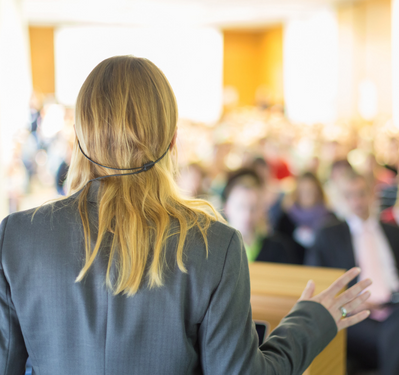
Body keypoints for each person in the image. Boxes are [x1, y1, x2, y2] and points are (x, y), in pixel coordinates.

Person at [0, 56, 372, 374]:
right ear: (174, 140)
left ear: (79, 138)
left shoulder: (16, 236)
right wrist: (311, 321)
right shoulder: (215, 243)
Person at [306, 172, 399, 375]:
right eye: (349, 195)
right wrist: (349, 302)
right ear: (341, 200)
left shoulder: (394, 233)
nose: (357, 201)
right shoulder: (328, 235)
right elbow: (317, 282)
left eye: (361, 194)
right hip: (354, 312)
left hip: (397, 307)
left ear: (372, 195)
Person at [222, 168, 303, 264]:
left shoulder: (278, 248)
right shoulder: (216, 248)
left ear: (262, 210)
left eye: (253, 208)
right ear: (226, 208)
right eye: (240, 207)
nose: (247, 215)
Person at [275, 172, 337, 250]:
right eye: (303, 190)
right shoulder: (285, 221)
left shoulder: (331, 220)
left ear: (318, 192)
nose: (306, 195)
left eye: (310, 190)